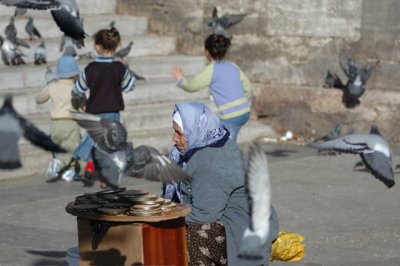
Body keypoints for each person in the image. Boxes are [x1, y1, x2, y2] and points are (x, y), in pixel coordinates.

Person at [163, 102, 278, 266]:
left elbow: (204, 214)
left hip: (245, 226)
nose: (174, 138)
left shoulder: (208, 159)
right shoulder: (211, 140)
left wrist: (166, 212)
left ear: (195, 131)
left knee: (192, 235)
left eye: (179, 133)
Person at [72, 27, 136, 186]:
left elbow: (78, 90)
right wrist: (123, 72)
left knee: (95, 139)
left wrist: (82, 100)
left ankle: (89, 166)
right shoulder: (119, 68)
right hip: (113, 112)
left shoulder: (90, 68)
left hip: (93, 111)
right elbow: (130, 87)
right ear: (115, 47)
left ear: (98, 46)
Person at [171, 34, 252, 142]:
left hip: (231, 116)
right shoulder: (233, 66)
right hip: (245, 112)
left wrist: (180, 80)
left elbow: (192, 85)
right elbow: (247, 86)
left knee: (225, 147)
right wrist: (246, 104)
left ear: (206, 52)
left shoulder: (211, 70)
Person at [35, 55, 81, 182]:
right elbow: (82, 104)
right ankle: (60, 166)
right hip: (70, 123)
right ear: (74, 75)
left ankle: (68, 172)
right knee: (72, 147)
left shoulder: (52, 86)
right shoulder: (75, 88)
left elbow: (39, 99)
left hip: (56, 123)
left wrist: (41, 96)